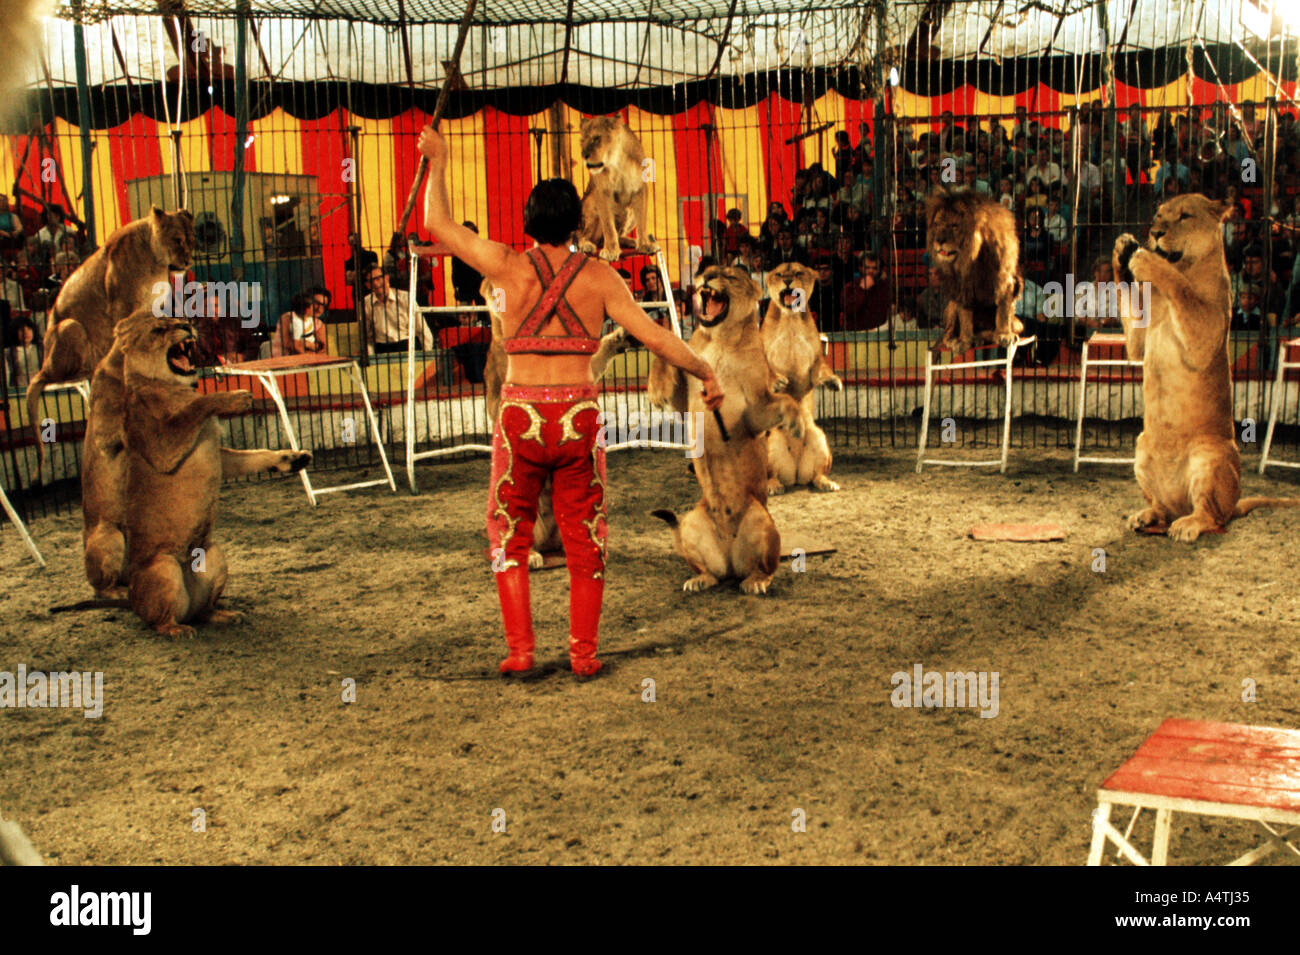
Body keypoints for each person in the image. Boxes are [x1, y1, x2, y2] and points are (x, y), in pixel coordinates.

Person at [417, 125, 724, 678]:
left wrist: (437, 161)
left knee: (509, 530)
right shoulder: (601, 278)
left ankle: (521, 652)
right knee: (586, 535)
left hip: (520, 417)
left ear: (531, 223)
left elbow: (436, 225)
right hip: (578, 418)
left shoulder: (505, 265)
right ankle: (583, 654)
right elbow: (655, 336)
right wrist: (704, 370)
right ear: (575, 223)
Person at [361, 266, 433, 355]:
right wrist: (371, 359)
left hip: (406, 346)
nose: (376, 283)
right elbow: (367, 337)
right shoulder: (366, 303)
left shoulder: (405, 298)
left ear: (387, 278)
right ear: (367, 285)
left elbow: (422, 329)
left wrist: (427, 355)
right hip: (382, 349)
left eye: (378, 278)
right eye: (371, 281)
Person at [840, 252, 890, 331]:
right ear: (860, 268)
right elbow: (848, 310)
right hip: (855, 334)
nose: (871, 271)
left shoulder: (884, 287)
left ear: (879, 270)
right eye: (867, 268)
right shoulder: (850, 287)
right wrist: (862, 289)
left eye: (875, 268)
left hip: (879, 334)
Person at [273, 289, 329, 357]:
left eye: (323, 305)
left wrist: (309, 347)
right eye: (317, 303)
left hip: (310, 359)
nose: (320, 308)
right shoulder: (289, 317)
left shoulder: (319, 324)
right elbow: (287, 343)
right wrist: (308, 345)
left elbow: (323, 348)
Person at [6, 314, 39, 390]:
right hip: (19, 388)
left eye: (29, 329)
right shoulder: (8, 352)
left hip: (39, 387)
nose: (26, 332)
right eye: (21, 330)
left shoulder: (41, 348)